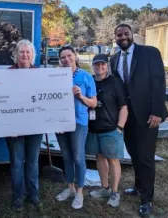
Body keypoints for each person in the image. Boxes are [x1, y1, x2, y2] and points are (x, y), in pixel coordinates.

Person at [110, 23, 168, 217]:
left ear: (132, 35)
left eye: (126, 34)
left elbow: (159, 83)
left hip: (147, 115)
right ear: (115, 37)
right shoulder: (114, 59)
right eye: (119, 35)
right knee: (134, 154)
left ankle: (147, 198)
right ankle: (137, 186)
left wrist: (157, 112)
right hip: (127, 116)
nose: (123, 37)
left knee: (145, 157)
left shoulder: (149, 53)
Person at [55, 46, 97, 209]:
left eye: (69, 55)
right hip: (60, 123)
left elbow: (93, 103)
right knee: (66, 157)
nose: (66, 59)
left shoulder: (86, 77)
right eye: (63, 57)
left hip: (79, 123)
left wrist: (80, 96)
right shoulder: (55, 76)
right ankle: (70, 188)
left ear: (75, 56)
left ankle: (79, 192)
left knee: (78, 157)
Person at [85, 54, 128, 207]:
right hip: (93, 128)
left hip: (111, 128)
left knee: (113, 159)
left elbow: (123, 107)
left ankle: (115, 192)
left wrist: (120, 127)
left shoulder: (115, 82)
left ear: (107, 66)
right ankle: (105, 188)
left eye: (103, 64)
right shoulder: (89, 80)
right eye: (97, 64)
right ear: (93, 66)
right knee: (100, 158)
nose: (100, 67)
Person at [5, 39, 43, 212]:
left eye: (28, 52)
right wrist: (8, 125)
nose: (25, 55)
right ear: (16, 54)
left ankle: (33, 195)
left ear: (32, 55)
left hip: (35, 127)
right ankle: (17, 197)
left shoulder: (40, 74)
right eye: (22, 52)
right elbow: (3, 101)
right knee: (17, 163)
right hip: (14, 128)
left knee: (33, 162)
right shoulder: (7, 74)